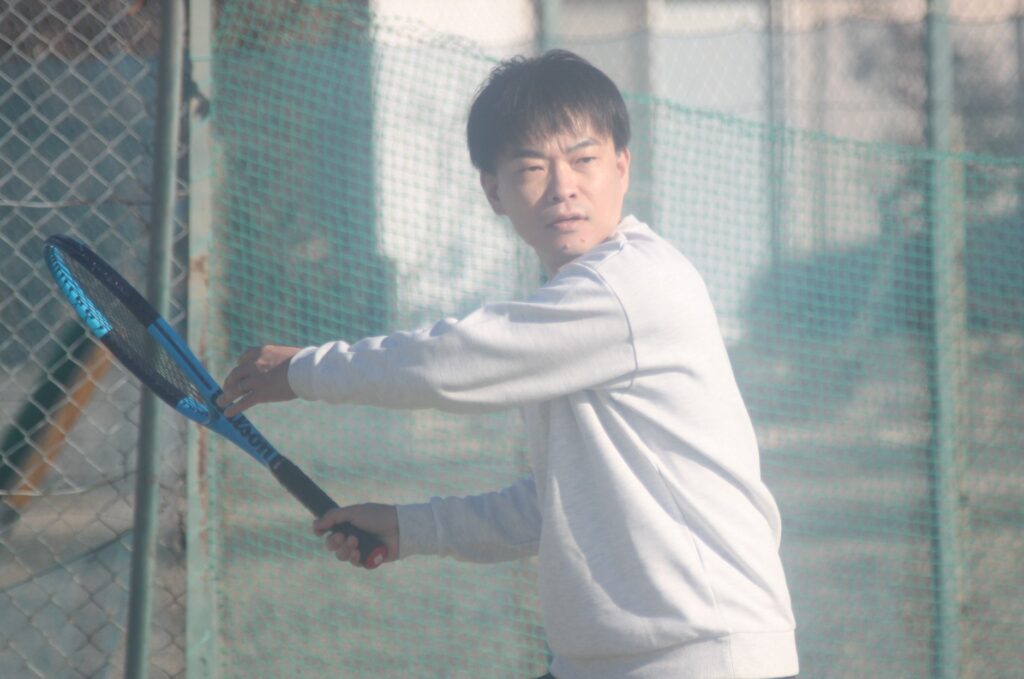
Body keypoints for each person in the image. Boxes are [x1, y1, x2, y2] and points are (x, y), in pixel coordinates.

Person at [217, 50, 798, 679]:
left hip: (701, 655)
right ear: (494, 190)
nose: (563, 186)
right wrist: (410, 528)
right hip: (605, 662)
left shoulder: (630, 285)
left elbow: (450, 362)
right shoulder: (580, 302)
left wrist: (302, 371)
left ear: (622, 168)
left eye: (584, 160)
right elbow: (555, 505)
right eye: (531, 167)